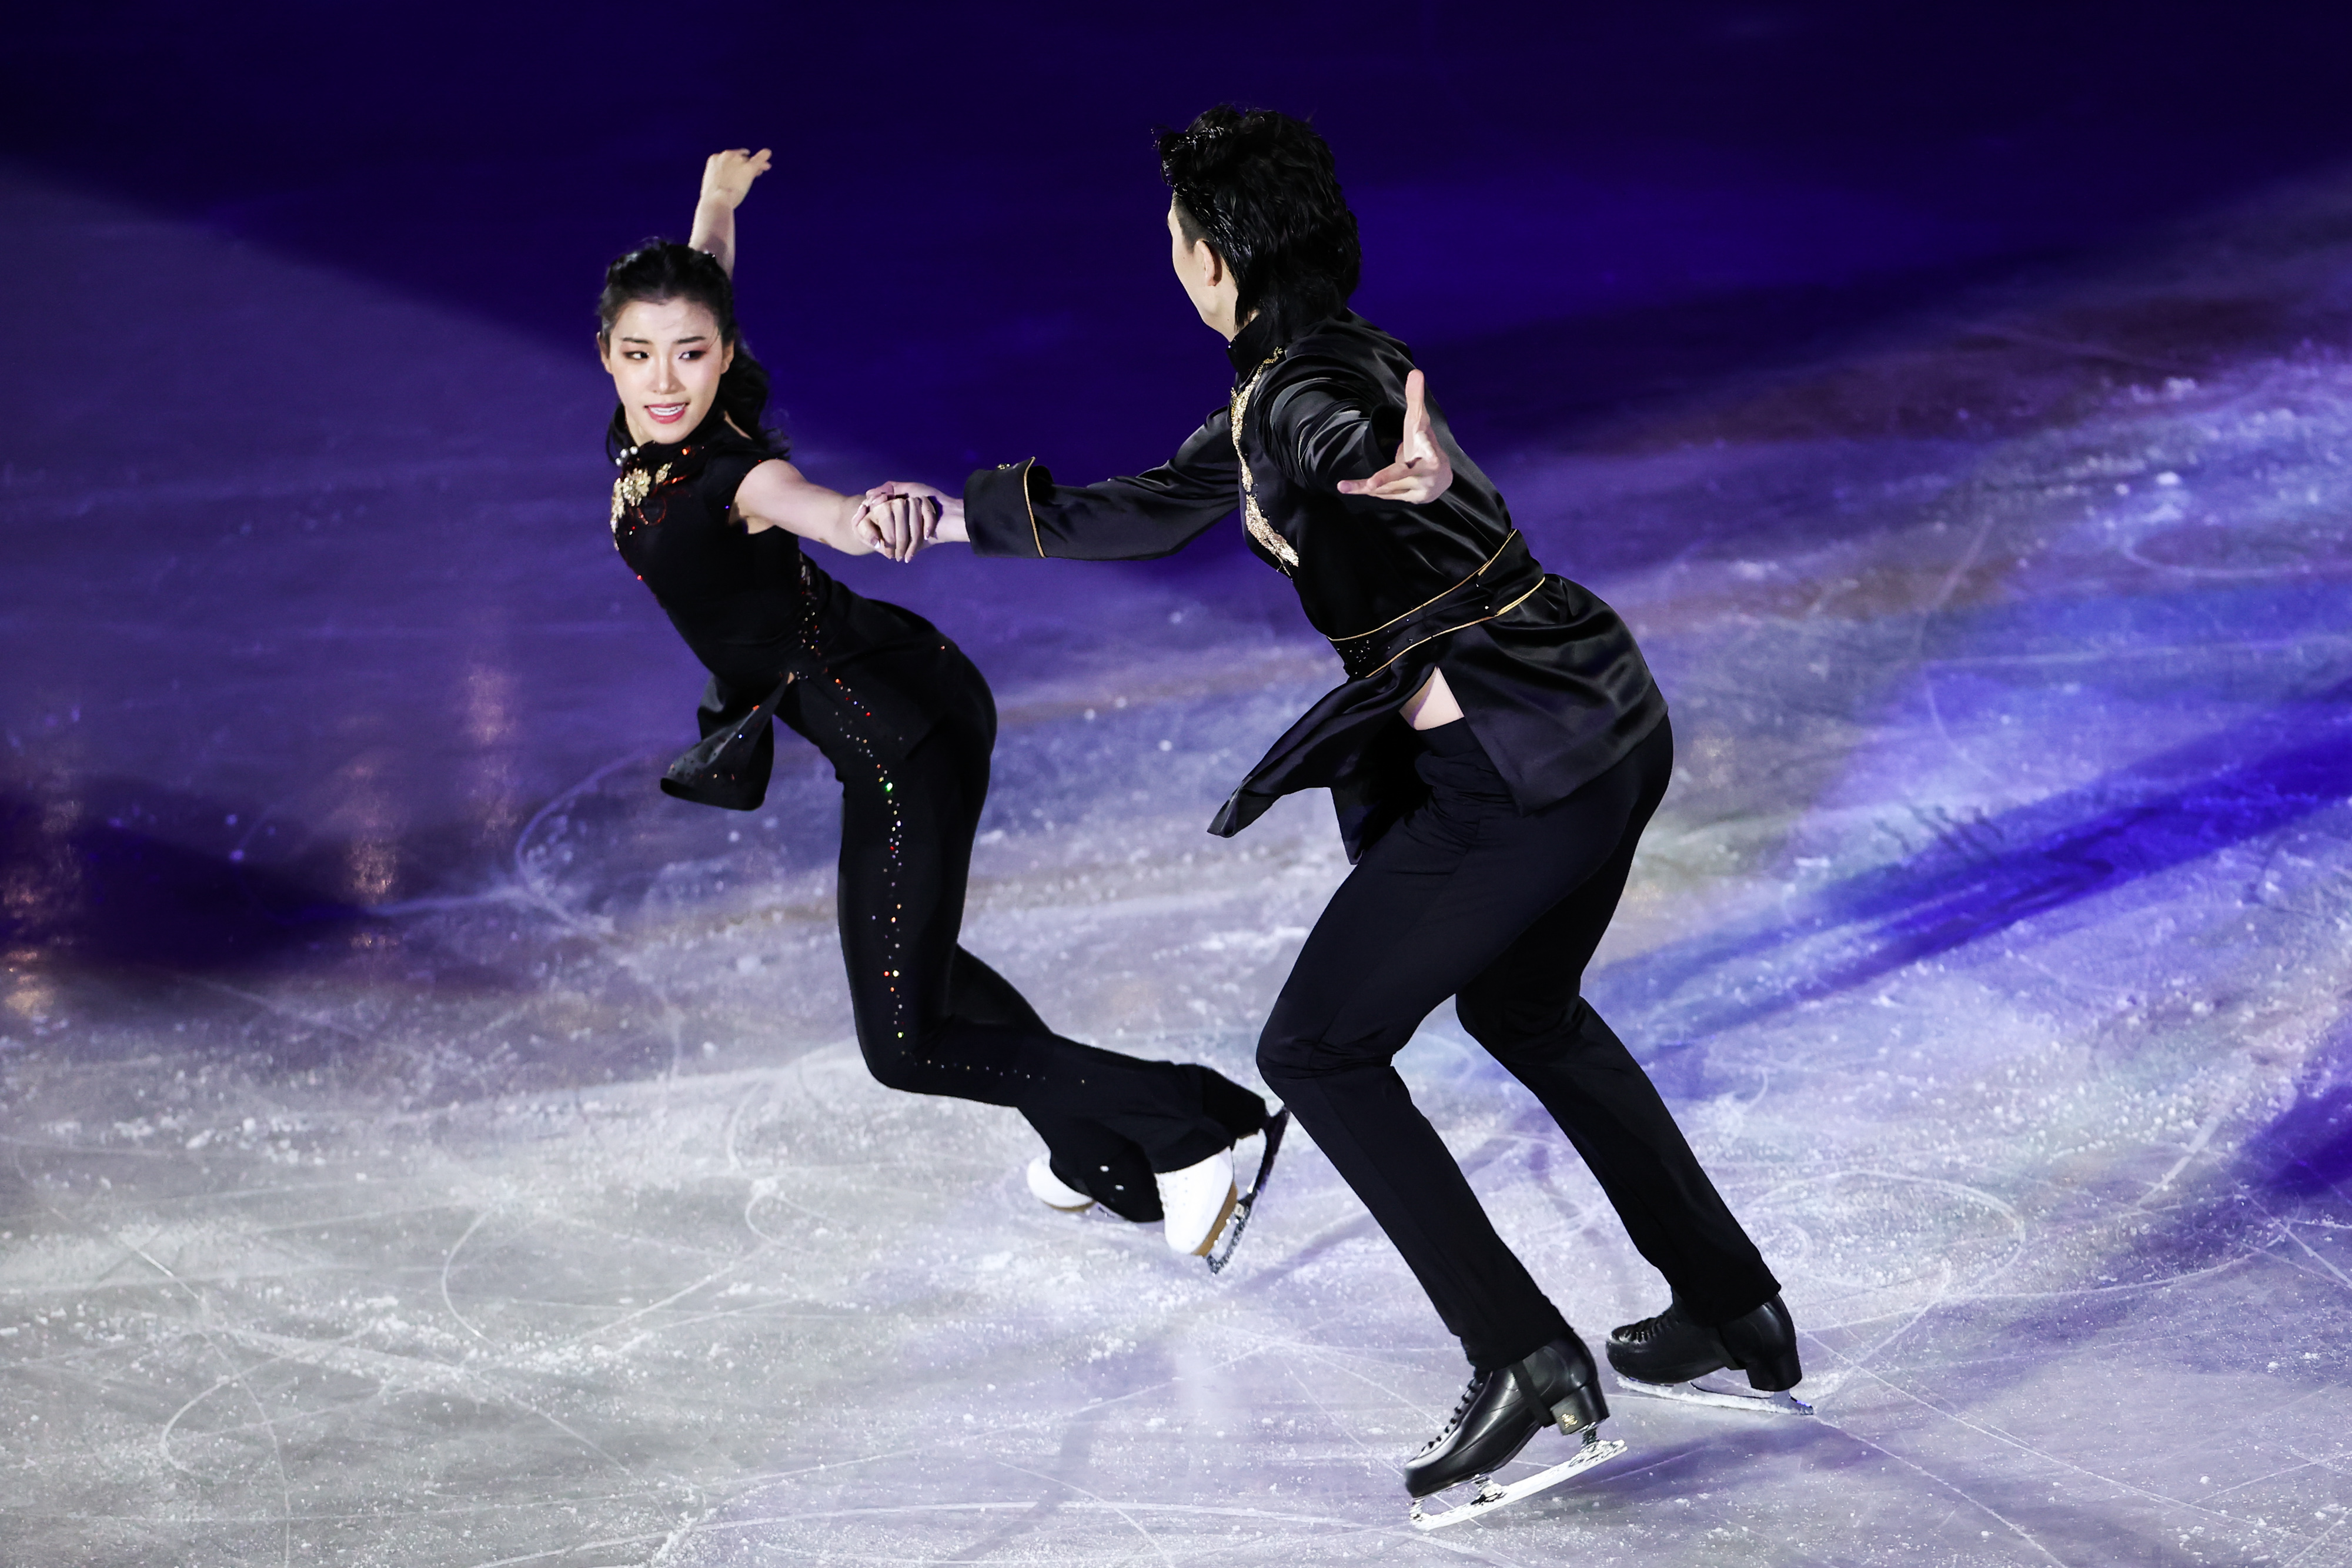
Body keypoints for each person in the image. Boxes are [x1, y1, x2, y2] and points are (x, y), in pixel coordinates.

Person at [874, 108, 1803, 1516]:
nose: (1169, 260)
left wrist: (1400, 466)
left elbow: (1353, 447)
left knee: (1313, 1045)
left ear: (1214, 264)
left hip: (1517, 768)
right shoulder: (1298, 374)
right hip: (1600, 720)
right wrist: (941, 520)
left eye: (1177, 241)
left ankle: (1521, 1353)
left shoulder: (1322, 400)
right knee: (1526, 1006)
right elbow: (1150, 505)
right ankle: (1732, 1307)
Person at [597, 148, 1278, 1262]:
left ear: (724, 357)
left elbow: (821, 510)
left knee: (906, 1043)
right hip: (897, 699)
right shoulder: (650, 427)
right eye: (640, 355)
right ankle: (1101, 1152)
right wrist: (718, 205)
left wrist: (880, 517)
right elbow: (701, 279)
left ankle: (1187, 1124)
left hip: (902, 735)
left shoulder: (733, 476)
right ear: (609, 355)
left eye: (690, 354)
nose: (665, 380)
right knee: (928, 966)